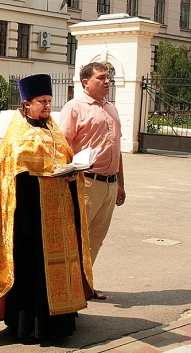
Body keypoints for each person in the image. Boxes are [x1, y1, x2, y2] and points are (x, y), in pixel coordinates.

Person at [0, 74, 93, 342]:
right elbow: (9, 175)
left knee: (58, 266)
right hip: (29, 215)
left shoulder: (53, 128)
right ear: (26, 103)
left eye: (49, 101)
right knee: (32, 269)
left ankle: (60, 321)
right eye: (42, 102)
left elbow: (64, 157)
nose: (47, 107)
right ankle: (30, 325)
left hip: (58, 213)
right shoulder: (17, 134)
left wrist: (71, 173)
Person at [59, 62, 126, 301]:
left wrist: (120, 183)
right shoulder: (74, 108)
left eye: (108, 78)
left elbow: (116, 149)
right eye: (102, 78)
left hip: (109, 184)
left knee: (96, 239)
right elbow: (62, 145)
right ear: (86, 82)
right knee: (79, 238)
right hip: (86, 182)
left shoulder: (112, 109)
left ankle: (85, 284)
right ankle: (69, 287)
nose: (107, 82)